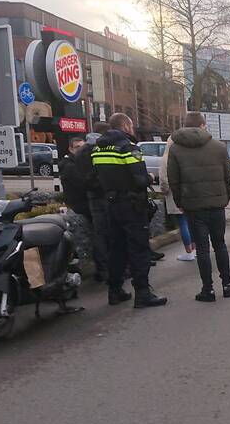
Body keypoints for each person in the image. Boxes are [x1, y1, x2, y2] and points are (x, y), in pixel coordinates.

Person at [91, 113, 167, 308]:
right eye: (131, 125)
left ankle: (114, 291)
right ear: (125, 125)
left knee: (116, 249)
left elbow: (96, 177)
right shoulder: (127, 148)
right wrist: (150, 177)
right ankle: (143, 293)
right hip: (131, 204)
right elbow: (139, 179)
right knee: (139, 248)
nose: (132, 129)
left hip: (111, 204)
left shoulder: (97, 149)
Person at [168, 112, 230, 302]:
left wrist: (181, 203)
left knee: (202, 249)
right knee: (220, 244)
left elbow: (174, 180)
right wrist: (224, 198)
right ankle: (227, 285)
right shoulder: (219, 147)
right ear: (203, 125)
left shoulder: (175, 149)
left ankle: (208, 289)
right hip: (216, 206)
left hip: (193, 207)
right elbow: (229, 178)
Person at [61, 136, 109, 279]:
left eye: (83, 147)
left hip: (86, 202)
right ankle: (103, 268)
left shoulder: (79, 162)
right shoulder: (70, 165)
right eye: (77, 147)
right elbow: (84, 184)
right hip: (81, 204)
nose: (81, 150)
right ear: (70, 149)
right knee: (100, 234)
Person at [158, 137, 196, 262]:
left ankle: (188, 251)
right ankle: (195, 249)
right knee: (192, 222)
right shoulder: (188, 156)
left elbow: (164, 179)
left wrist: (164, 190)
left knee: (183, 223)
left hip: (174, 194)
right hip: (190, 194)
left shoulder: (166, 158)